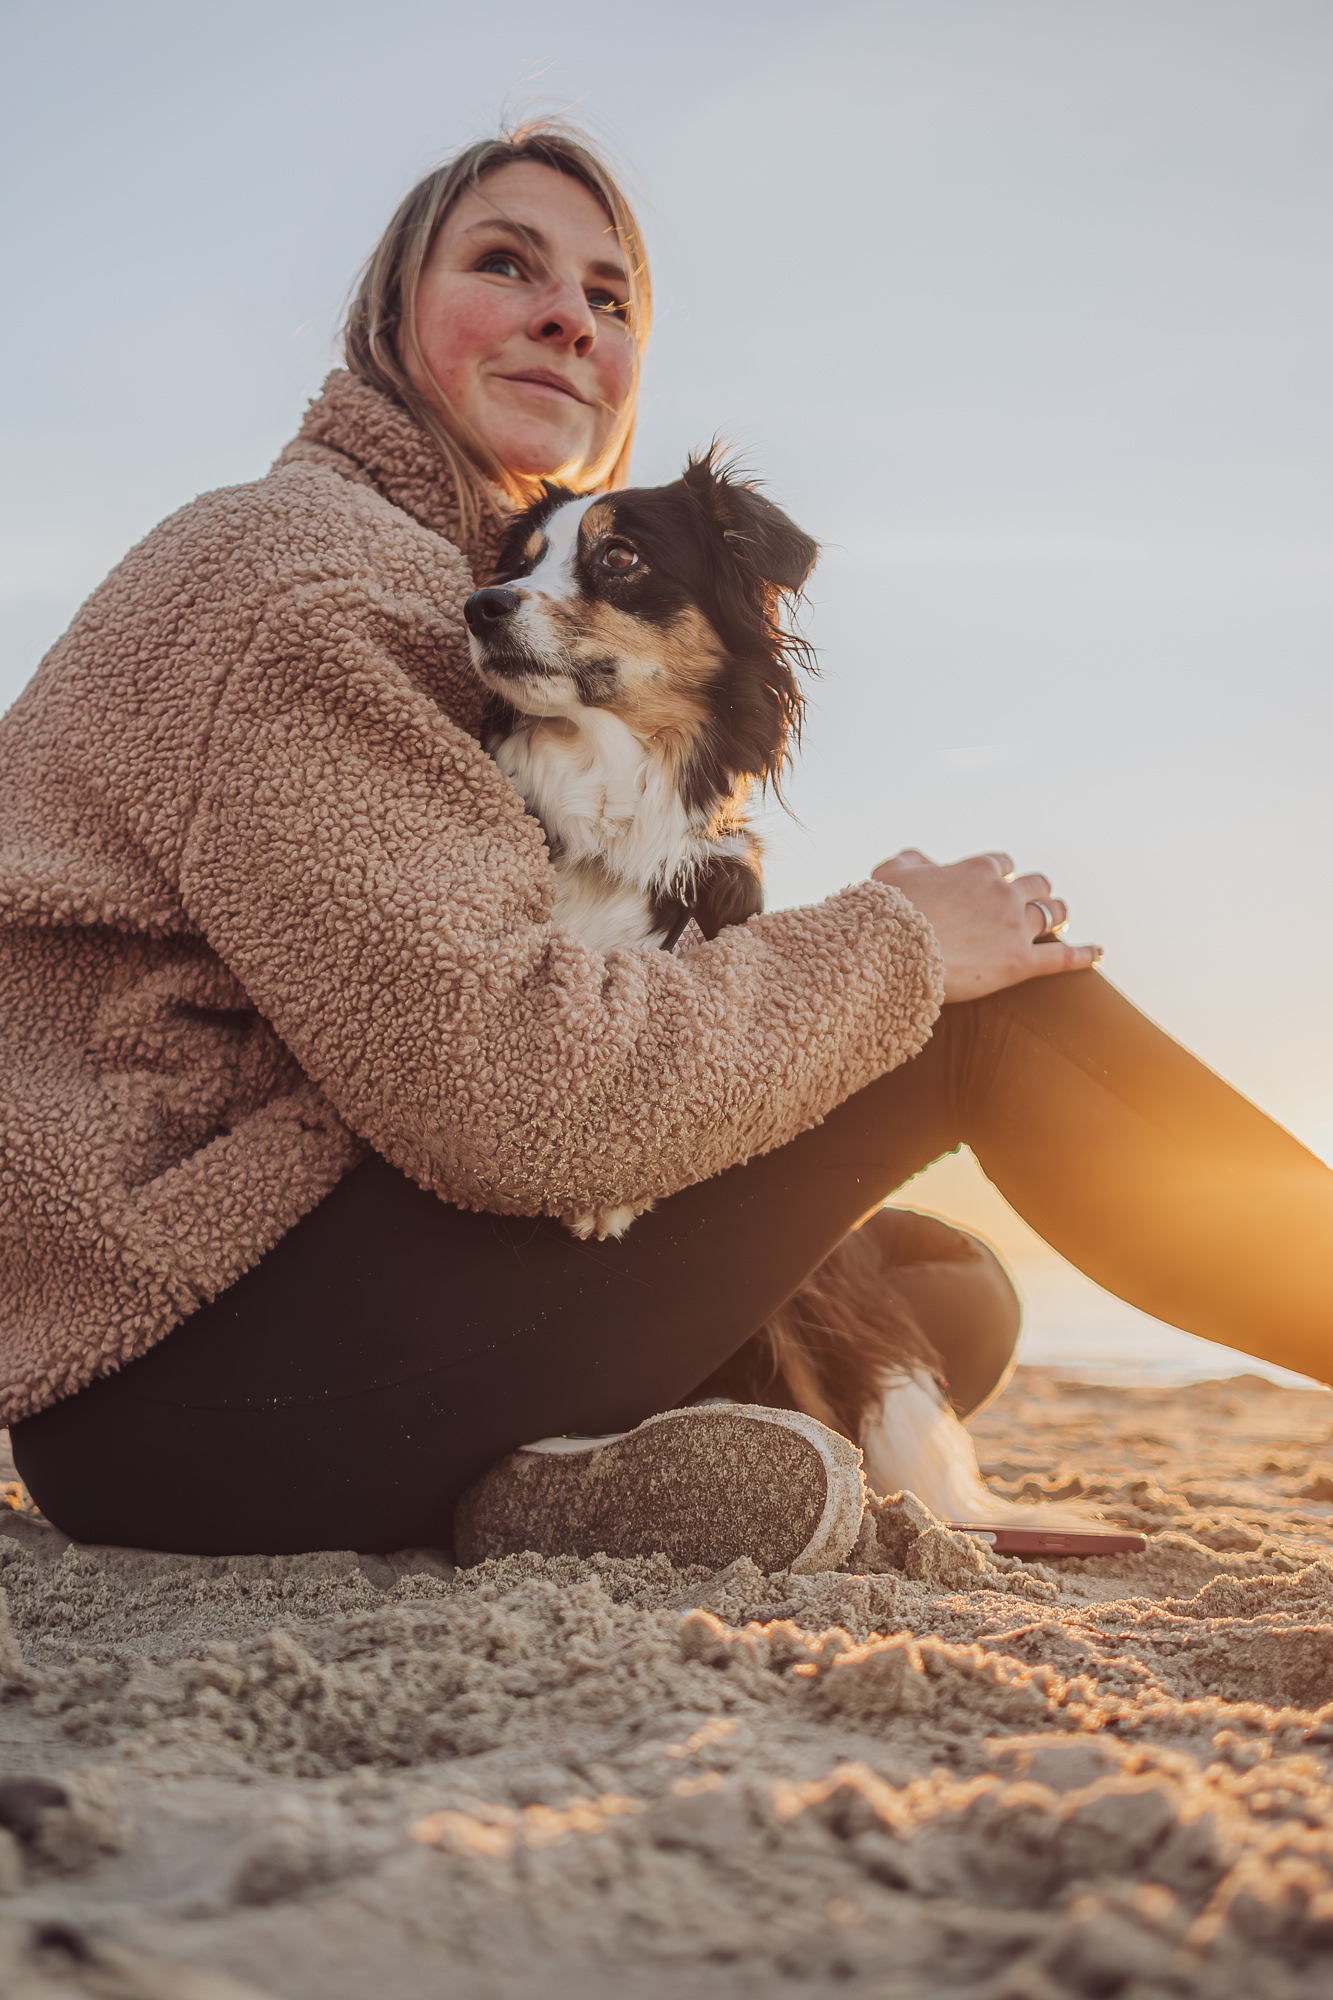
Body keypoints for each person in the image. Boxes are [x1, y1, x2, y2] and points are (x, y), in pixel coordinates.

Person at [2, 122, 1331, 1561]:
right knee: (986, 1022)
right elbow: (501, 1089)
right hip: (193, 1375)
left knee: (945, 1287)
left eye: (610, 297)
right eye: (505, 265)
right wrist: (894, 951)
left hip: (262, 1327)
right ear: (389, 316)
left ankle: (552, 1493)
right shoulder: (308, 577)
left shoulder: (451, 581)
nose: (568, 315)